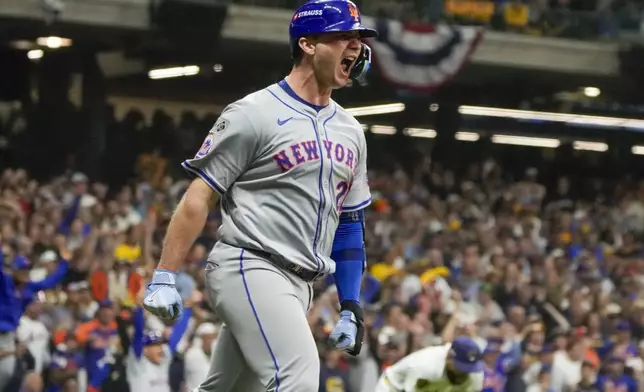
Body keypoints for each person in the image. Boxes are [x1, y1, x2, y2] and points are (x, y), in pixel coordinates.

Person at [141, 0, 377, 390]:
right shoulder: (254, 112)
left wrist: (350, 306)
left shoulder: (351, 130)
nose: (356, 46)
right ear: (308, 44)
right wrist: (165, 273)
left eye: (358, 39)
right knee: (297, 376)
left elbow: (349, 224)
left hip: (299, 284)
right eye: (344, 37)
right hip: (250, 264)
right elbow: (199, 196)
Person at [0, 246, 70, 391]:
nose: (25, 273)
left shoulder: (29, 287)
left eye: (27, 270)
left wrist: (65, 263)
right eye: (22, 270)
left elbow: (50, 281)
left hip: (9, 335)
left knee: (7, 371)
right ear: (14, 271)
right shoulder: (5, 282)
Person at [375, 336, 485, 392]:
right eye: (461, 367)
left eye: (469, 369)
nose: (465, 372)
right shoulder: (426, 365)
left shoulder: (474, 376)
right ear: (449, 358)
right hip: (393, 387)